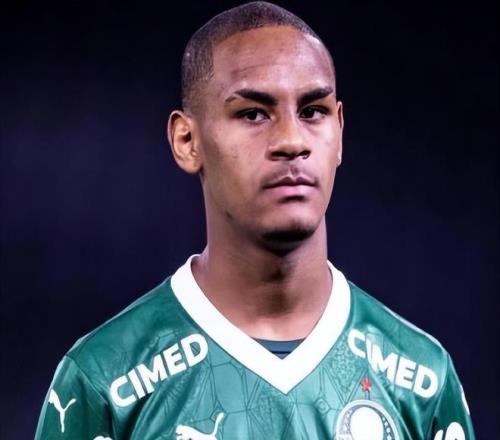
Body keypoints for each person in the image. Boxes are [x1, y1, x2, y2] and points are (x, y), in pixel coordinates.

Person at [35, 2, 476, 439]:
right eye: (253, 113)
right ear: (187, 140)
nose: (292, 141)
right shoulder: (103, 379)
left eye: (313, 111)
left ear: (339, 132)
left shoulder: (424, 378)